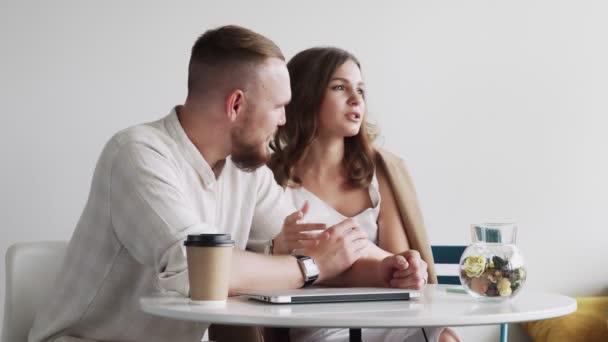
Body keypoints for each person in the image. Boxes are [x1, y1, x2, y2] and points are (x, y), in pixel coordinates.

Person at [28, 27, 371, 342]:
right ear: (236, 104)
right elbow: (200, 269)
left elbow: (326, 242)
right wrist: (310, 266)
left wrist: (391, 267)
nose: (283, 121)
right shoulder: (138, 154)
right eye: (279, 107)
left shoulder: (245, 169)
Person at [268, 47, 461, 342]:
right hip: (319, 321)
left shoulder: (381, 171)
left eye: (360, 89)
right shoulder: (270, 177)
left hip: (384, 315)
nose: (356, 99)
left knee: (444, 338)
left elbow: (396, 265)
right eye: (339, 87)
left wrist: (406, 269)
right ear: (306, 95)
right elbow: (265, 262)